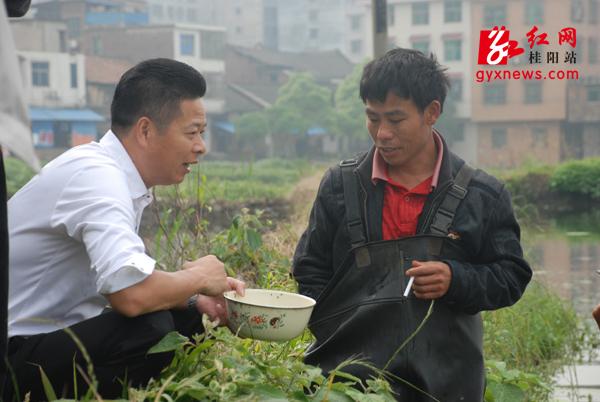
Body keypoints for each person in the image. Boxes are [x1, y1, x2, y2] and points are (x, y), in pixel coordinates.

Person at [292, 48, 532, 402]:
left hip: (447, 385)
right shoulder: (340, 186)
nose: (382, 133)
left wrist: (456, 279)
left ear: (432, 112)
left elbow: (511, 276)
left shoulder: (483, 195)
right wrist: (336, 334)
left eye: (395, 119)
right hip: (347, 386)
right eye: (373, 118)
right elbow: (310, 269)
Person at [5, 58, 245, 400]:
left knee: (190, 315)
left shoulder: (111, 174)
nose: (201, 147)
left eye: (201, 134)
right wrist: (199, 278)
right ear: (145, 130)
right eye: (192, 133)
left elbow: (127, 278)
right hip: (13, 352)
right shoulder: (98, 178)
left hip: (43, 339)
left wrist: (193, 299)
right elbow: (130, 295)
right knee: (150, 327)